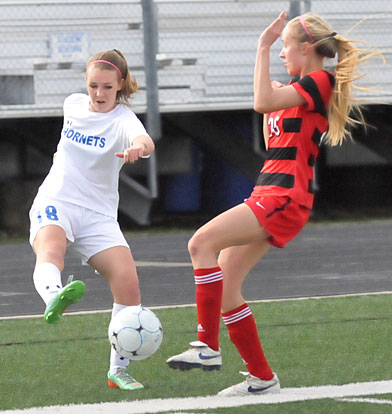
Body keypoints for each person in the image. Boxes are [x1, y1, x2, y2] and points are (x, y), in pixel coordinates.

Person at [167, 11, 382, 396]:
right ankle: (262, 378)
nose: (281, 53)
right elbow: (271, 119)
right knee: (227, 284)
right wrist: (272, 83)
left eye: (285, 46)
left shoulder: (320, 81)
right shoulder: (298, 90)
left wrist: (261, 48)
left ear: (305, 48)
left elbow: (261, 100)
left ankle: (208, 346)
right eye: (278, 46)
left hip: (284, 198)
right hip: (267, 194)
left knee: (200, 243)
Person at [29, 49, 155, 391]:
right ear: (85, 85)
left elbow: (145, 140)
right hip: (57, 199)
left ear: (120, 86)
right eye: (93, 86)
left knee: (127, 280)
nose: (99, 94)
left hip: (98, 215)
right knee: (51, 250)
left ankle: (118, 370)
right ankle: (55, 296)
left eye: (107, 88)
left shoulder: (124, 119)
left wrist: (137, 149)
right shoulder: (72, 104)